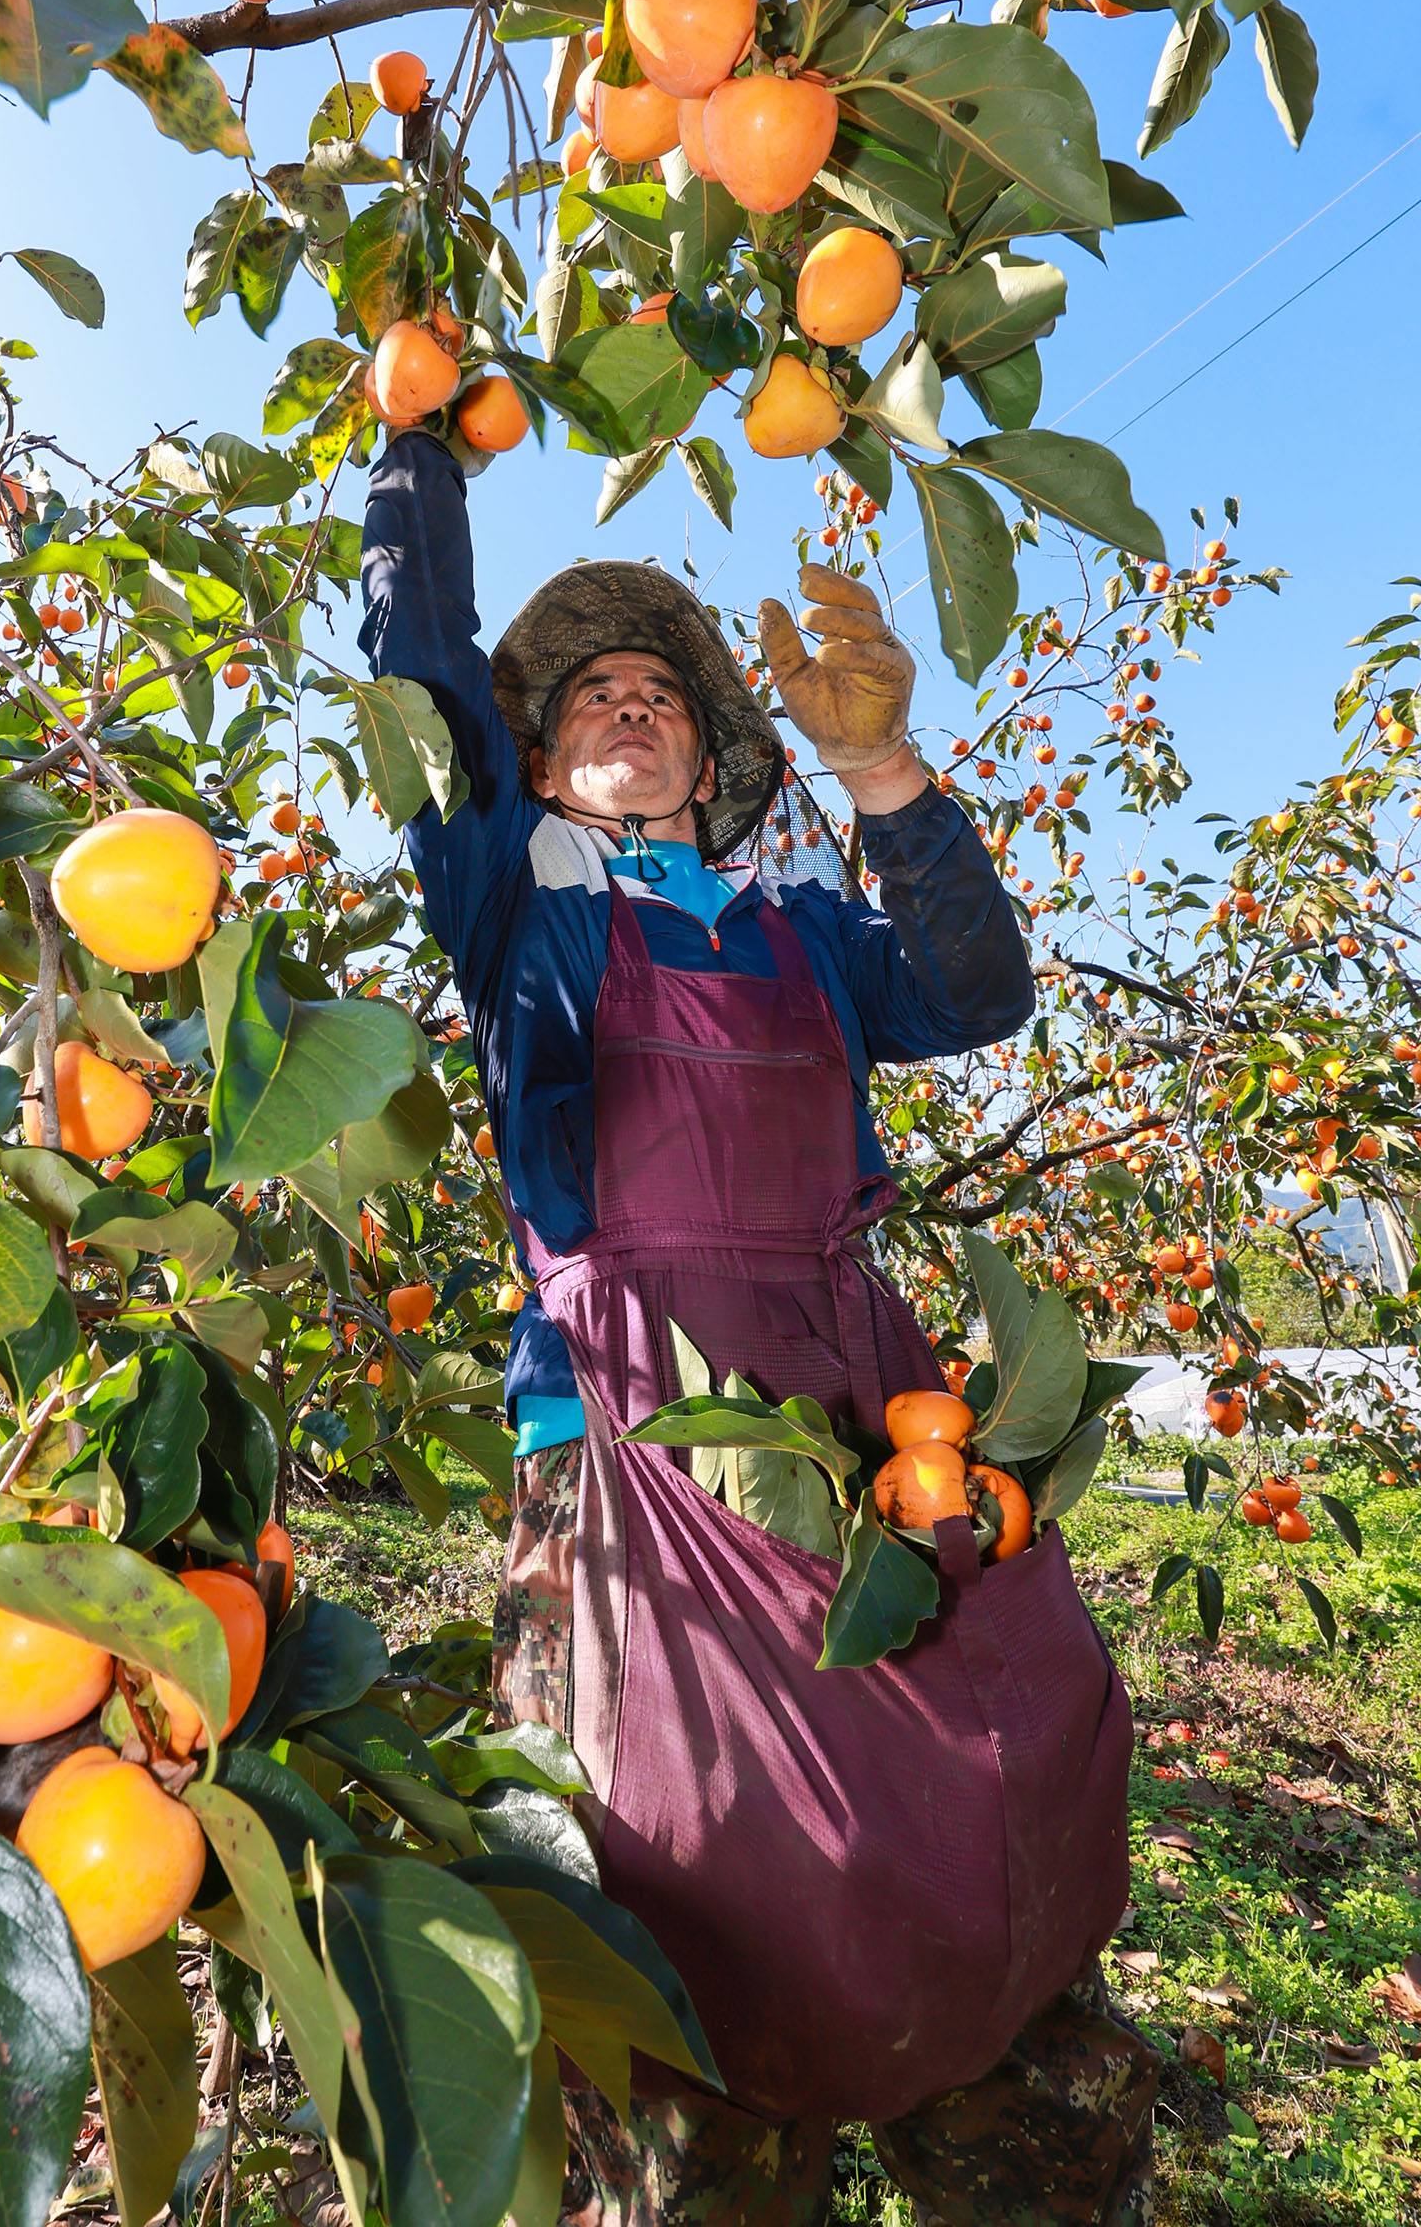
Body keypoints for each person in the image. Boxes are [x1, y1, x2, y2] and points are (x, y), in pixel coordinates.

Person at [360, 425, 1157, 2227]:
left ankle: (1001, 2131)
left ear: (716, 756)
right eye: (589, 699)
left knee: (974, 1792)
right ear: (543, 759)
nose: (627, 706)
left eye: (661, 692)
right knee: (674, 1884)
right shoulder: (514, 903)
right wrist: (420, 446)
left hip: (864, 1413)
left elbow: (980, 986)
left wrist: (882, 767)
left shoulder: (807, 930)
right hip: (625, 1429)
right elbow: (417, 672)